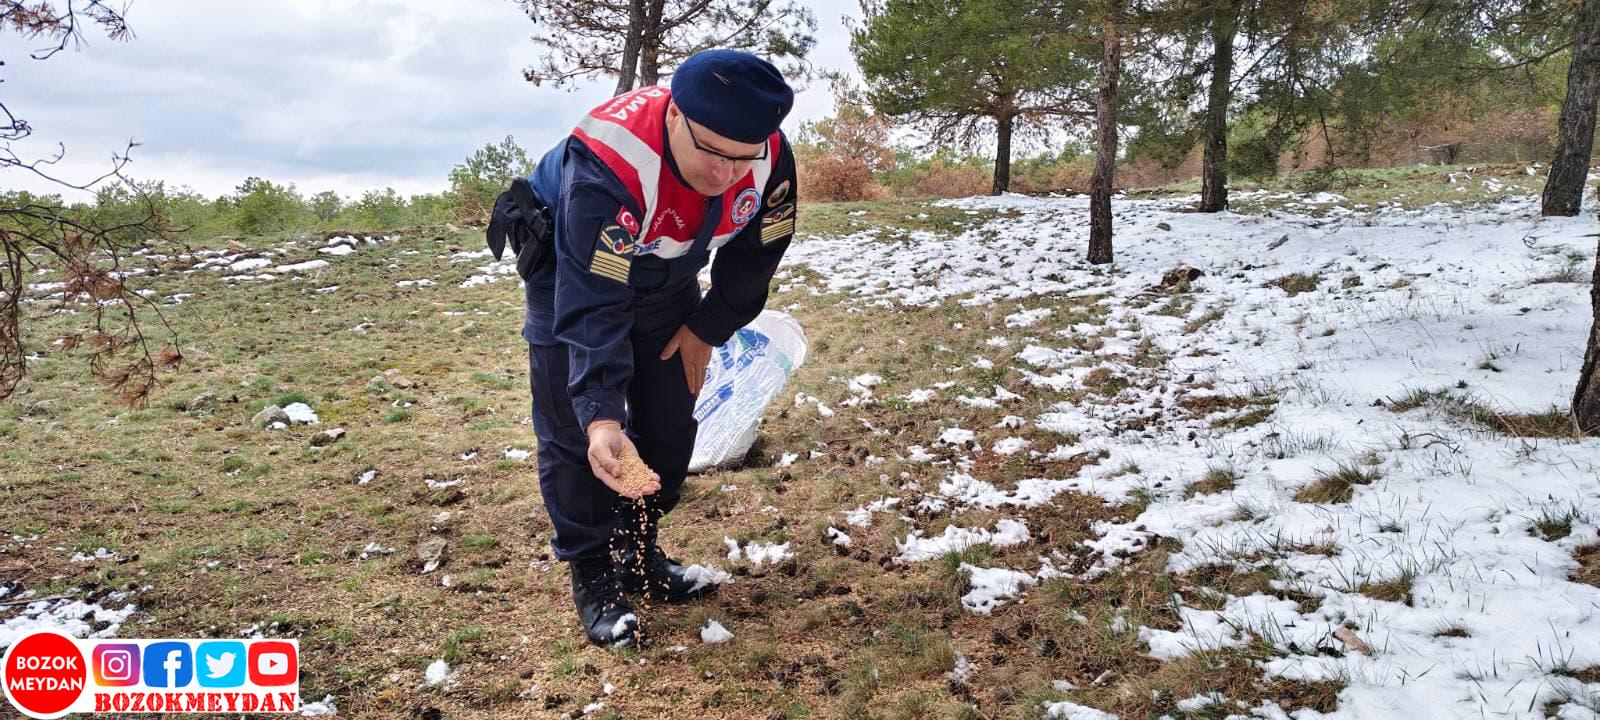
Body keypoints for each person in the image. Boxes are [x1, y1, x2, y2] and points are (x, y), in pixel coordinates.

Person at [519, 49, 798, 646]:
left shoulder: (766, 152)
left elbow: (759, 250)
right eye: (713, 153)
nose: (727, 174)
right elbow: (592, 301)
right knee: (580, 433)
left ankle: (637, 550)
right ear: (674, 115)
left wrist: (707, 327)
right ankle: (592, 567)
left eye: (742, 158)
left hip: (668, 272)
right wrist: (600, 411)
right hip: (570, 272)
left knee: (670, 420)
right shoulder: (610, 162)